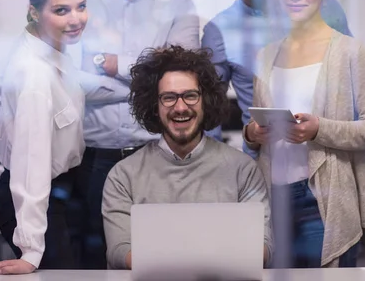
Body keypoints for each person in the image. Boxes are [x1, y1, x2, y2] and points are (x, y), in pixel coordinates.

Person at [73, 0, 200, 268]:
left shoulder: (178, 3)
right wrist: (149, 78)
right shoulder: (78, 3)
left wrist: (110, 64)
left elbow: (183, 76)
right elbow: (71, 80)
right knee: (95, 264)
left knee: (165, 263)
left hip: (160, 161)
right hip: (92, 163)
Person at [243, 0, 365, 268]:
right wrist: (253, 133)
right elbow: (253, 129)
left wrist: (319, 129)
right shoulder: (265, 55)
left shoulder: (350, 52)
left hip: (322, 199)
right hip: (273, 196)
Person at [102, 46, 273, 270]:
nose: (180, 107)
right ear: (154, 105)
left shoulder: (242, 169)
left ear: (206, 101)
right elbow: (119, 252)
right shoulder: (123, 175)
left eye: (190, 96)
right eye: (169, 97)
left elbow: (263, 249)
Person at [0, 0, 92, 274]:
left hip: (60, 191)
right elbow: (31, 165)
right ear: (34, 12)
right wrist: (31, 249)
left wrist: (13, 131)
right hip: (37, 198)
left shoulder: (42, 46)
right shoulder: (34, 75)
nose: (76, 19)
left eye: (81, 6)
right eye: (61, 10)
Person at [201, 0, 352, 154]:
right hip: (265, 164)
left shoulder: (319, 5)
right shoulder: (219, 30)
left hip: (326, 160)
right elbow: (209, 109)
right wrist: (215, 167)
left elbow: (351, 81)